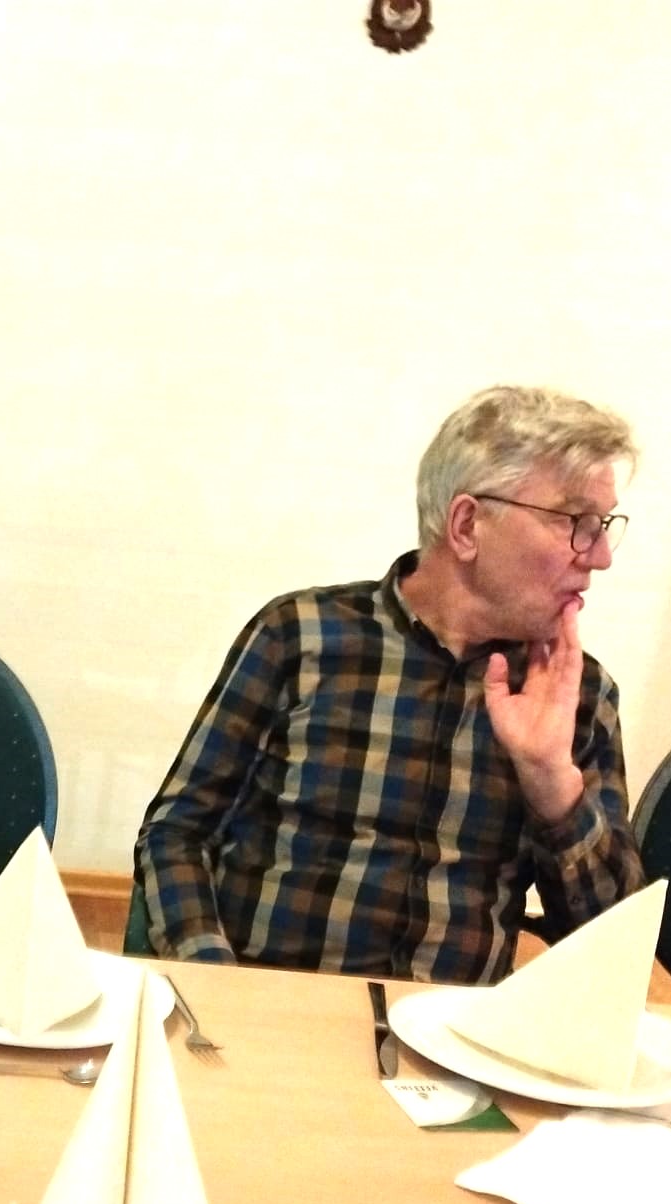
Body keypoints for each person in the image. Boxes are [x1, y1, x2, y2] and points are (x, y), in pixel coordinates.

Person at [135, 384, 645, 983]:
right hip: (275, 1008)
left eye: (603, 525)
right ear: (467, 525)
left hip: (451, 1032)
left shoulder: (575, 694)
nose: (602, 556)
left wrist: (553, 785)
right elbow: (176, 835)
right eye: (577, 522)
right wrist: (217, 984)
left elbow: (612, 944)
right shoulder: (301, 638)